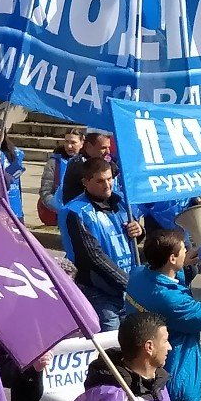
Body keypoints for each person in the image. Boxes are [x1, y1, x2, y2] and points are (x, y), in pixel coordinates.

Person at [123, 228, 201, 401]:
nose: (187, 252)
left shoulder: (138, 275)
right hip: (176, 383)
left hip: (146, 368)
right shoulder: (171, 301)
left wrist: (181, 268)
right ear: (172, 258)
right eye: (184, 250)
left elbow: (167, 282)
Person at [60, 159, 143, 331]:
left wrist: (139, 231)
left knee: (132, 347)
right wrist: (129, 284)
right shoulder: (76, 212)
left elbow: (133, 241)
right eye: (100, 181)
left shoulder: (121, 203)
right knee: (110, 346)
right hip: (98, 291)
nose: (107, 185)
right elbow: (92, 256)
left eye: (109, 178)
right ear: (86, 182)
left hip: (126, 288)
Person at [61, 130, 121, 206]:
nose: (108, 152)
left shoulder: (104, 161)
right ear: (89, 146)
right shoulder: (79, 166)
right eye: (103, 148)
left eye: (108, 147)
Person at [38, 129, 84, 226]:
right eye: (66, 142)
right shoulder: (54, 162)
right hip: (58, 214)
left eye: (73, 142)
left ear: (82, 143)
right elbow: (45, 191)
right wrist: (59, 207)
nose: (69, 146)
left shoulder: (87, 162)